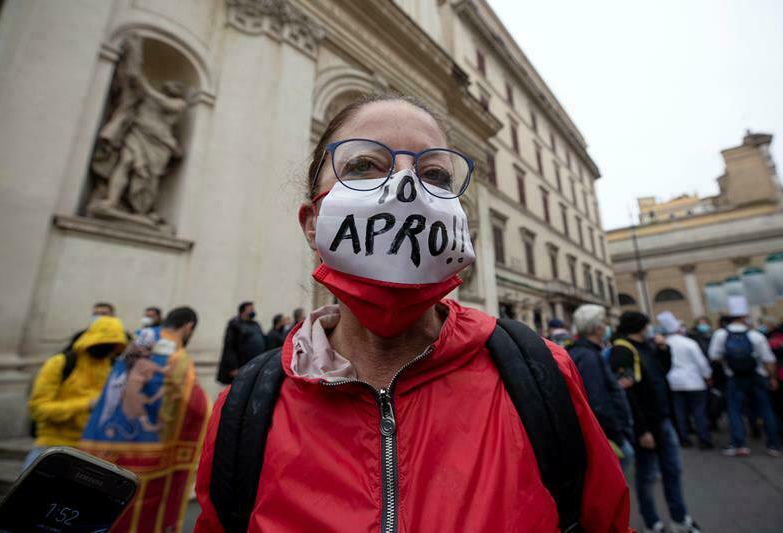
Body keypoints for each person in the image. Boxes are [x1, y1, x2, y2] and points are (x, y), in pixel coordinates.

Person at [194, 94, 629, 532]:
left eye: (434, 174)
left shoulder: (542, 373)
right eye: (364, 165)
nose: (406, 188)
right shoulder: (247, 408)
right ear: (312, 223)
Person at [80, 306, 209, 533]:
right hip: (143, 451)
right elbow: (191, 402)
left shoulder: (141, 338)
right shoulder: (175, 355)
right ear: (188, 327)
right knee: (136, 513)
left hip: (102, 441)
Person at [610, 311, 700, 533]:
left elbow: (662, 372)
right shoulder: (622, 350)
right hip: (646, 425)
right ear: (640, 327)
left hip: (662, 418)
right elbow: (628, 394)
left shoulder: (647, 346)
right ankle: (652, 522)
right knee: (647, 476)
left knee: (673, 470)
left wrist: (663, 349)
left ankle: (680, 519)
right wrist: (642, 430)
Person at [25, 316, 128, 470]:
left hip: (93, 449)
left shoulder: (112, 369)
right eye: (104, 344)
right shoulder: (60, 363)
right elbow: (38, 409)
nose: (107, 349)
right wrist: (87, 405)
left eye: (112, 345)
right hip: (53, 446)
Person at [708, 296, 780, 457]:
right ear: (744, 317)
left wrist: (729, 361)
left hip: (734, 377)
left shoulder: (720, 335)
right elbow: (769, 359)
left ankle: (739, 445)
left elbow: (714, 356)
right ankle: (773, 445)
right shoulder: (756, 335)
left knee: (734, 410)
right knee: (766, 409)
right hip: (757, 375)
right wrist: (772, 378)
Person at [569, 305, 634, 469]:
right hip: (608, 433)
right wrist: (617, 435)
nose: (607, 327)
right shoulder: (589, 357)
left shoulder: (584, 352)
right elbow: (597, 400)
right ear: (597, 329)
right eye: (604, 323)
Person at [657, 311, 713, 449]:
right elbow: (701, 362)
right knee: (699, 412)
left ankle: (684, 438)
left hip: (674, 383)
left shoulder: (664, 344)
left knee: (680, 412)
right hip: (694, 382)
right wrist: (707, 376)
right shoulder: (689, 343)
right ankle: (704, 439)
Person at [217, 301, 267, 384]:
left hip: (255, 364)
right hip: (241, 365)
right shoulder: (235, 324)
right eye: (251, 309)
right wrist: (233, 367)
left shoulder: (255, 324)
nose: (253, 311)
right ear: (243, 311)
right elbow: (230, 347)